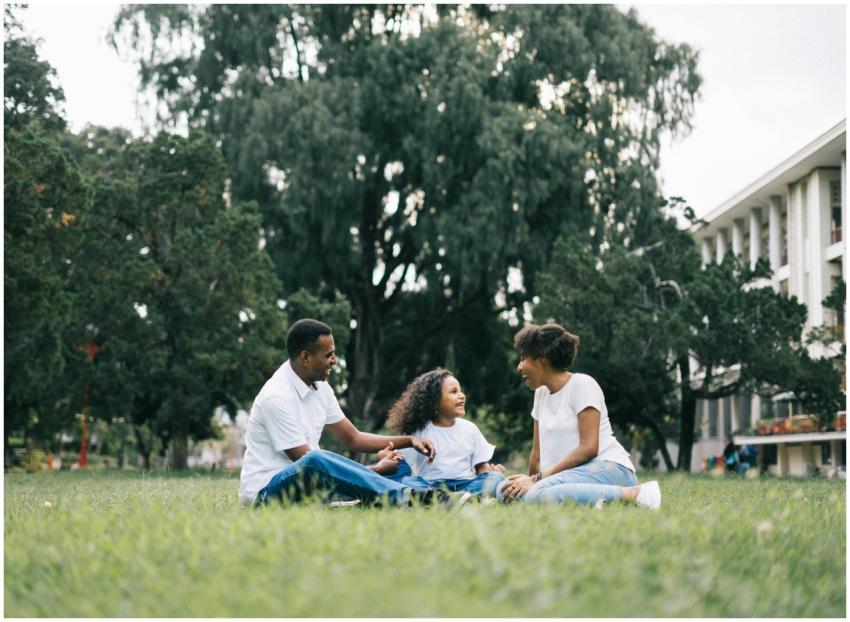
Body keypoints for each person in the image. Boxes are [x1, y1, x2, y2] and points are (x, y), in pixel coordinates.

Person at [239, 318, 442, 508]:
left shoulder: (320, 387)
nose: (334, 360)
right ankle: (407, 496)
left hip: (313, 483)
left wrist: (409, 440)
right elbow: (311, 467)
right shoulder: (276, 396)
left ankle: (431, 492)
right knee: (315, 459)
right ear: (305, 357)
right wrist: (376, 470)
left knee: (398, 467)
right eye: (328, 355)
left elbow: (353, 438)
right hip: (267, 492)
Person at [498, 323, 662, 510]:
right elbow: (536, 455)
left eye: (522, 358)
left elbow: (589, 448)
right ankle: (594, 500)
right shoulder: (541, 394)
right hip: (567, 477)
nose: (519, 367)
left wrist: (537, 481)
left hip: (608, 468)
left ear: (541, 358)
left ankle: (636, 494)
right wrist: (527, 483)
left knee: (537, 494)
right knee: (504, 492)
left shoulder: (582, 385)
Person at [384, 369, 506, 499]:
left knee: (496, 477)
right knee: (408, 482)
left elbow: (481, 466)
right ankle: (453, 499)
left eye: (460, 391)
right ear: (434, 401)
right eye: (454, 392)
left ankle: (459, 498)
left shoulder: (470, 429)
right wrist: (390, 460)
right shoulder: (418, 431)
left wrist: (488, 474)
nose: (461, 396)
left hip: (466, 483)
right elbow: (402, 467)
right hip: (431, 486)